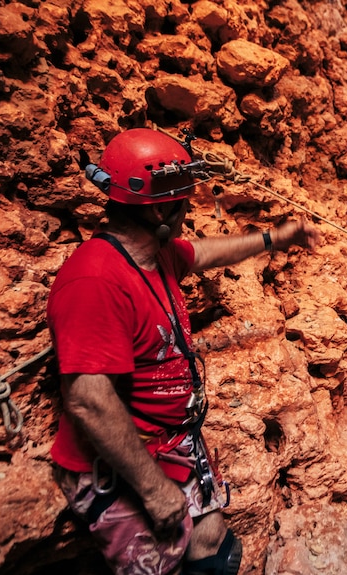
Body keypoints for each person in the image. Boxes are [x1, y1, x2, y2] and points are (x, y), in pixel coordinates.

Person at [47, 128, 320, 575]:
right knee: (163, 565)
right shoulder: (96, 280)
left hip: (170, 440)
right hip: (121, 461)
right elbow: (88, 401)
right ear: (158, 207)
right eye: (184, 202)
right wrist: (153, 489)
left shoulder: (157, 254)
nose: (187, 212)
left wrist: (274, 239)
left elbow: (209, 252)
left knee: (214, 549)